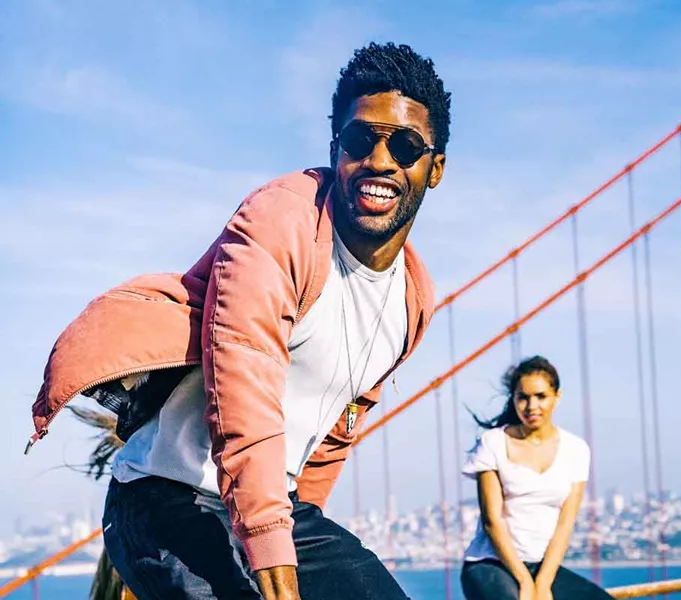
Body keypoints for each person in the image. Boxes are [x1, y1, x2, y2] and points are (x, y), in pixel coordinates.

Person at [29, 41, 449, 599]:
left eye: (405, 145)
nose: (379, 160)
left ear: (434, 167)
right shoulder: (280, 223)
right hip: (164, 501)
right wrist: (274, 558)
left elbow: (333, 437)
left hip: (274, 507)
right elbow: (243, 395)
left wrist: (293, 542)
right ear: (335, 147)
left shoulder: (410, 299)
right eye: (359, 139)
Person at [460, 356, 614, 600]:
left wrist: (543, 582)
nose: (532, 406)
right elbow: (492, 521)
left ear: (557, 396)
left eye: (541, 397)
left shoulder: (576, 449)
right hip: (491, 564)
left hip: (542, 567)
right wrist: (524, 580)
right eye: (523, 397)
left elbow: (565, 523)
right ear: (514, 399)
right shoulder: (493, 442)